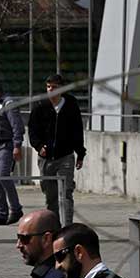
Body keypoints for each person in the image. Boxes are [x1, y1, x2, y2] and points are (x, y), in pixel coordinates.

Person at [27, 74, 86, 226]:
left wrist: (80, 153)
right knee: (50, 196)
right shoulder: (40, 105)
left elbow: (77, 130)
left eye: (54, 87)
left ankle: (67, 227)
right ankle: (54, 227)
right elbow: (32, 131)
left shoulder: (71, 105)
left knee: (65, 193)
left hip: (65, 156)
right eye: (48, 87)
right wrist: (39, 147)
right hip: (46, 159)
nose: (51, 90)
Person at [0, 79, 25, 226]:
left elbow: (17, 126)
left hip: (6, 146)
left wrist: (17, 145)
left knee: (3, 176)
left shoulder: (8, 103)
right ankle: (1, 214)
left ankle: (16, 209)